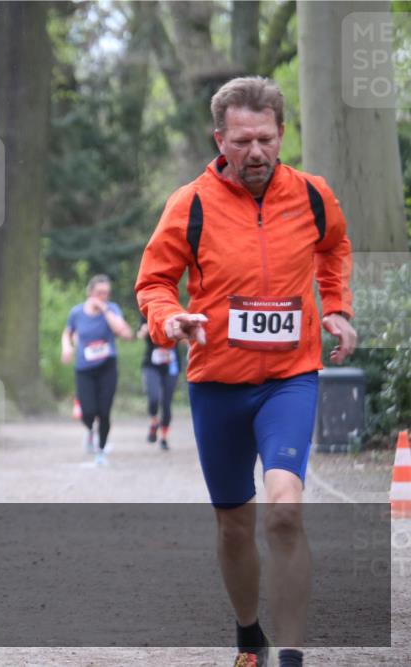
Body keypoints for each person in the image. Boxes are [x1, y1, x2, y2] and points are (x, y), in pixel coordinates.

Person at [135, 76, 356, 667]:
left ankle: (290, 654)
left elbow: (334, 248)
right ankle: (248, 632)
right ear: (220, 139)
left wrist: (334, 307)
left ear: (282, 134)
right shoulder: (191, 203)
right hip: (217, 384)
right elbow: (154, 282)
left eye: (265, 138)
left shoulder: (312, 195)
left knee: (284, 510)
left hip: (289, 377)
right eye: (241, 141)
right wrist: (170, 319)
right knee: (235, 524)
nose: (255, 152)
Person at [60, 274, 134, 465]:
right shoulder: (77, 312)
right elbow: (67, 333)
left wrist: (105, 310)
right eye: (99, 293)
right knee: (88, 412)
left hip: (107, 367)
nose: (103, 296)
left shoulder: (112, 309)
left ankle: (101, 449)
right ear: (90, 292)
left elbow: (124, 333)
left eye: (106, 293)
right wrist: (67, 347)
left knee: (104, 410)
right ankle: (90, 432)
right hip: (84, 368)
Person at [137, 315, 181, 450]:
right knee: (154, 397)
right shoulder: (147, 314)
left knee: (166, 402)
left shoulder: (177, 314)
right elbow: (140, 334)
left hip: (171, 365)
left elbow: (185, 338)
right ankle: (154, 421)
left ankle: (164, 437)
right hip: (151, 365)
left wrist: (179, 331)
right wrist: (145, 330)